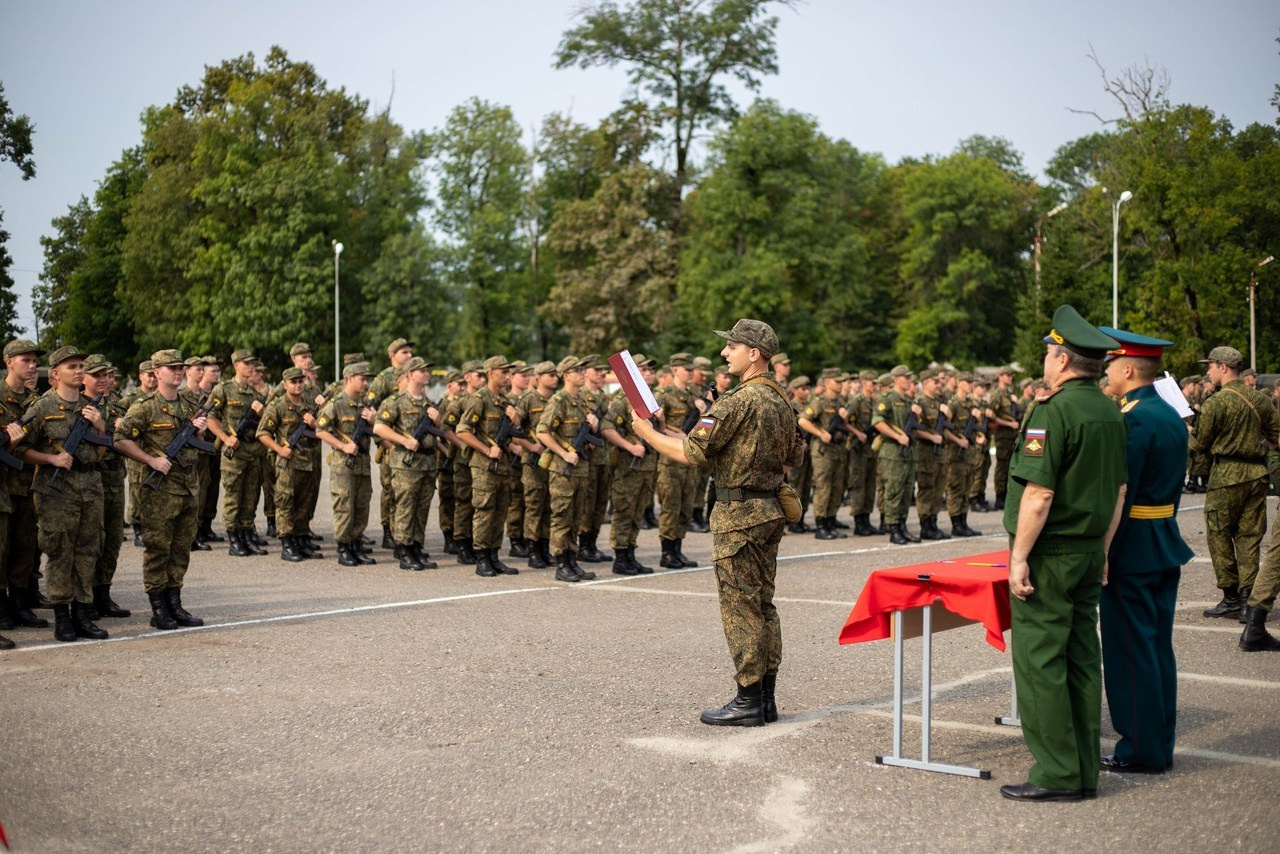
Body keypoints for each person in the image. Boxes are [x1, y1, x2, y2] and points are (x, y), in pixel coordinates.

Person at [632, 319, 803, 726]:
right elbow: (795, 455)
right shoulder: (781, 398)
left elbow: (693, 451)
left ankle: (747, 702)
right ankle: (765, 698)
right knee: (763, 606)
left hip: (739, 516)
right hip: (768, 512)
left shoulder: (739, 400)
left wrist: (647, 433)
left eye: (732, 347)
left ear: (754, 353)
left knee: (740, 609)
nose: (725, 353)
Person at [999, 306, 1127, 802]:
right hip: (1089, 550)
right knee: (1081, 658)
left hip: (1050, 553)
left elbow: (1039, 495)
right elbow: (1118, 490)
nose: (1046, 363)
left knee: (1040, 661)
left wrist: (1017, 558)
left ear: (1064, 360)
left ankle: (1056, 773)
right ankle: (1082, 768)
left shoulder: (1054, 411)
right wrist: (1104, 551)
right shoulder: (1109, 411)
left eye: (1050, 355)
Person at [1095, 327, 1195, 774]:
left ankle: (1139, 750)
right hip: (1163, 539)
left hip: (1131, 546)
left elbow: (1120, 491)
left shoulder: (1132, 419)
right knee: (1156, 649)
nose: (1106, 373)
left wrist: (1103, 551)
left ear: (1128, 368)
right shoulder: (1171, 415)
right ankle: (1158, 742)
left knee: (1130, 653)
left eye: (1111, 365)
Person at [113, 349, 211, 630]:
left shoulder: (189, 404)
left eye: (180, 367)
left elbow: (197, 442)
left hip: (188, 487)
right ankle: (158, 608)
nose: (177, 372)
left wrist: (200, 431)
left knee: (181, 550)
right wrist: (150, 460)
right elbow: (119, 439)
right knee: (158, 549)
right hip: (159, 492)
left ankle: (175, 603)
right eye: (171, 368)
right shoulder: (145, 407)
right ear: (156, 373)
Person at [18, 346, 110, 643]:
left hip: (89, 489)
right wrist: (51, 460)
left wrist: (100, 426)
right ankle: (61, 616)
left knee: (87, 553)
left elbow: (100, 453)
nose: (79, 370)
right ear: (55, 374)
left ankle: (82, 614)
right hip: (55, 492)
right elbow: (18, 448)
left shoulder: (91, 406)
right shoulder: (42, 407)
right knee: (59, 552)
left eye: (81, 366)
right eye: (72, 366)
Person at [1189, 346, 1279, 620]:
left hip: (1226, 475)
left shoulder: (1215, 403)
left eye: (1211, 366)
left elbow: (1199, 445)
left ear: (1223, 367)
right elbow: (1276, 434)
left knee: (1219, 534)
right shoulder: (1260, 399)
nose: (1208, 371)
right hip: (1256, 475)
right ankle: (1247, 600)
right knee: (1250, 537)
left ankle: (1229, 596)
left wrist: (1190, 429)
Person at [0, 339, 48, 648]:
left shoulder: (36, 401)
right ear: (9, 363)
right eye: (26, 360)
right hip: (3, 486)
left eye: (34, 360)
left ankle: (18, 604)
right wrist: (11, 442)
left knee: (24, 548)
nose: (32, 365)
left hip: (27, 485)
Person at [256, 367, 323, 563]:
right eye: (293, 382)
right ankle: (287, 543)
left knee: (304, 503)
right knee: (285, 503)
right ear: (285, 385)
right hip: (288, 464)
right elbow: (262, 433)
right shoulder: (278, 406)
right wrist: (279, 449)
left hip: (307, 462)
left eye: (301, 381)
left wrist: (314, 423)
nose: (298, 385)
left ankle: (301, 540)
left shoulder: (309, 406)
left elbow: (325, 430)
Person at [315, 362, 379, 566]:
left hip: (362, 463)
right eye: (362, 379)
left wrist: (373, 420)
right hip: (344, 465)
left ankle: (356, 544)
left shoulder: (365, 405)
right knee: (345, 506)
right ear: (349, 379)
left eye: (367, 379)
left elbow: (379, 430)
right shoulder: (336, 404)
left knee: (362, 505)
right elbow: (320, 430)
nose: (366, 383)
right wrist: (342, 447)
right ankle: (343, 547)